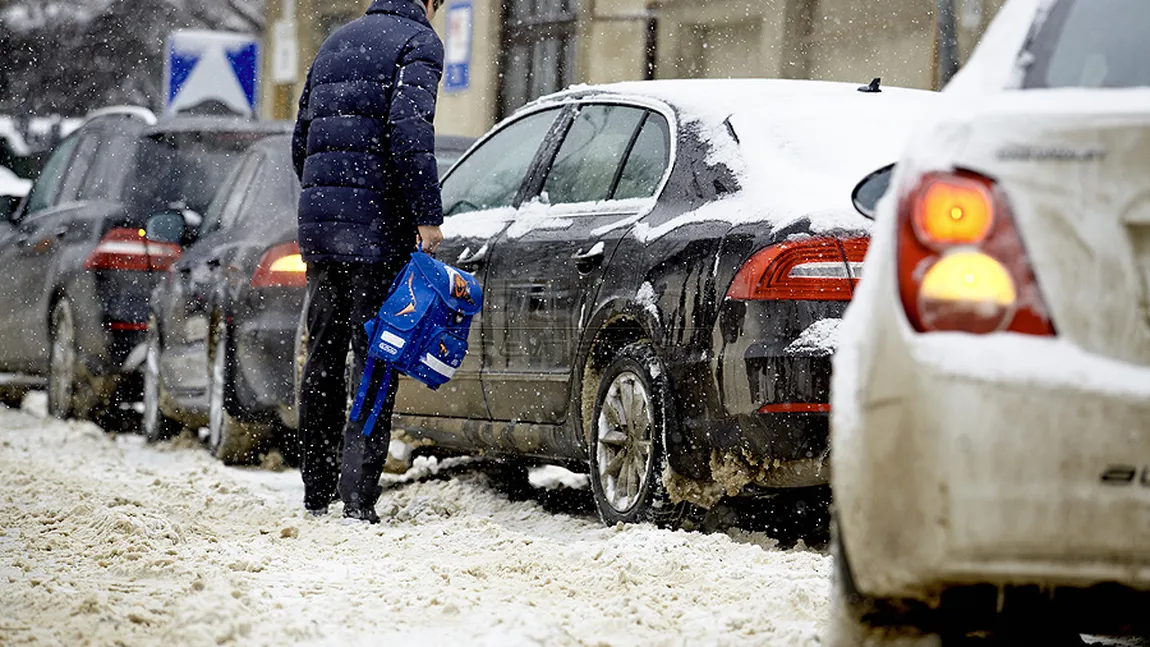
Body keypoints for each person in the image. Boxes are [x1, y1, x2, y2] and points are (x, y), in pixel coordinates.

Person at [292, 0, 446, 523]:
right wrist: (426, 216)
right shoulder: (417, 43)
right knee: (375, 358)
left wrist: (326, 198)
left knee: (324, 355)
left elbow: (301, 139)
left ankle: (316, 489)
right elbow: (409, 132)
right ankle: (358, 498)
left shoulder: (336, 41)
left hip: (322, 229)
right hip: (377, 229)